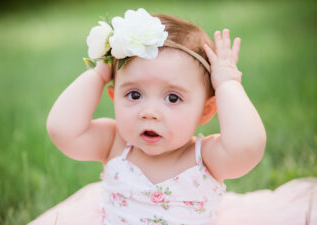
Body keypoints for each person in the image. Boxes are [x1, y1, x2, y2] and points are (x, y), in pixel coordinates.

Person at [28, 8, 316, 225]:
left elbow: (248, 146)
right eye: (134, 95)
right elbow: (62, 130)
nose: (149, 112)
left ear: (206, 110)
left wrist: (228, 84)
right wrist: (100, 71)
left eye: (173, 98)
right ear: (114, 96)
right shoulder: (115, 143)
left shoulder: (205, 158)